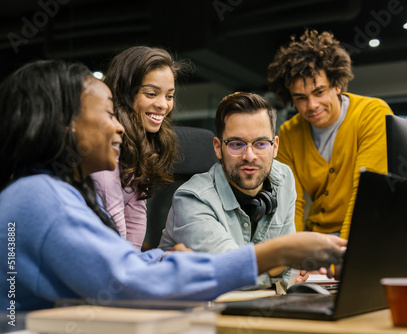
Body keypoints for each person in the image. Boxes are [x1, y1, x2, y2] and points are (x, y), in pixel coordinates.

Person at [0, 60, 347, 311]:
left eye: (260, 144)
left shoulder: (53, 193)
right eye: (108, 114)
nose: (120, 127)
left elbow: (116, 266)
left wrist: (161, 257)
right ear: (64, 126)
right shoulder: (40, 198)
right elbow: (131, 284)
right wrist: (280, 251)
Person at [159, 92, 296, 288]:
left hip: (261, 306)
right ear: (217, 147)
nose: (249, 156)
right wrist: (279, 270)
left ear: (275, 147)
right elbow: (231, 276)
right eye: (236, 144)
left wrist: (284, 268)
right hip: (197, 314)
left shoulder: (284, 179)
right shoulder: (191, 199)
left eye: (261, 144)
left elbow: (290, 269)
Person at [267, 29, 394, 239]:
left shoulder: (372, 114)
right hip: (317, 239)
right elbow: (291, 202)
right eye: (300, 98)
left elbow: (366, 192)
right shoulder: (289, 133)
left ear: (336, 85)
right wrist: (292, 256)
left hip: (365, 234)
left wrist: (346, 253)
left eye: (319, 92)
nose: (311, 105)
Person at [91, 46, 182, 248]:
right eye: (151, 94)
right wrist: (129, 267)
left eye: (169, 96)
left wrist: (135, 262)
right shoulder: (105, 140)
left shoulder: (146, 141)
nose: (163, 105)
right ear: (124, 93)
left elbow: (136, 213)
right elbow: (112, 217)